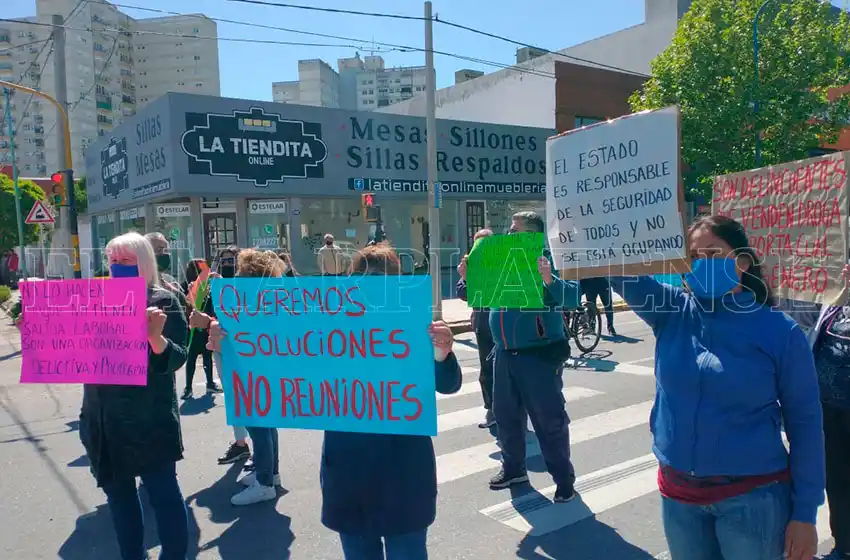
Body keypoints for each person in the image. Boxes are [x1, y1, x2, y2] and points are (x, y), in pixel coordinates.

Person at [209, 242, 463, 558]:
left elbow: (449, 384)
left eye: (380, 278)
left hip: (403, 473)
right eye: (362, 276)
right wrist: (229, 344)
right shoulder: (327, 328)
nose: (370, 285)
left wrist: (442, 353)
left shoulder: (414, 327)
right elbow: (278, 366)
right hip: (348, 471)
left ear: (397, 283)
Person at [609, 215, 824, 560]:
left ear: (741, 262)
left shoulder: (780, 332)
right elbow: (616, 267)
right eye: (694, 256)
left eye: (713, 253)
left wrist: (805, 514)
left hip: (753, 499)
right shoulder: (672, 311)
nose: (702, 263)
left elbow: (806, 425)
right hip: (679, 496)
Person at [84, 232, 189, 560]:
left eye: (125, 260)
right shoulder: (94, 299)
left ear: (143, 263)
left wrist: (154, 338)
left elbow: (178, 356)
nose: (116, 265)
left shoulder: (164, 301)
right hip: (105, 418)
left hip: (149, 420)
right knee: (120, 500)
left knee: (164, 497)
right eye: (112, 260)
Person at [487, 211, 581, 504]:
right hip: (504, 352)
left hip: (538, 356)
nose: (510, 234)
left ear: (535, 234)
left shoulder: (551, 258)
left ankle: (563, 480)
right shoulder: (504, 259)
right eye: (510, 229)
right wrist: (469, 278)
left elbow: (574, 296)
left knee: (548, 420)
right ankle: (514, 469)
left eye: (517, 230)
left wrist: (548, 279)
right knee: (506, 418)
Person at [782, 271, 850, 560]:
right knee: (837, 480)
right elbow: (803, 318)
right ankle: (844, 545)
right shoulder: (836, 300)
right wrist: (784, 287)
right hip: (830, 411)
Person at [191, 246, 251, 466]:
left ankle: (261, 456)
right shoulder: (215, 286)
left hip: (244, 351)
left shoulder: (246, 288)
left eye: (231, 261)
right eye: (224, 261)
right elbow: (202, 311)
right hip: (220, 347)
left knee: (248, 398)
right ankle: (241, 443)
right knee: (233, 397)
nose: (227, 265)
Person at [456, 228, 497, 428]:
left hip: (504, 321)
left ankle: (513, 408)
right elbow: (463, 293)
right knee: (487, 366)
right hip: (482, 321)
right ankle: (491, 408)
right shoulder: (472, 266)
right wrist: (465, 276)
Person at [181, 258, 220, 399]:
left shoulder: (209, 283)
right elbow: (184, 302)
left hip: (206, 324)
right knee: (191, 357)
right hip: (192, 327)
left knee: (207, 356)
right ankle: (188, 387)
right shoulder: (187, 284)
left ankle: (210, 383)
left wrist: (218, 281)